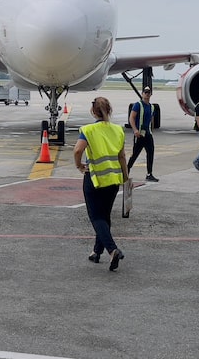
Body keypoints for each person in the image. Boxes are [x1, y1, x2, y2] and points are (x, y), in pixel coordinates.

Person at [73, 96, 129, 272]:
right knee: (104, 216)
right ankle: (96, 252)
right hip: (113, 179)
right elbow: (122, 156)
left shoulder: (88, 130)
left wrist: (79, 165)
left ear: (93, 111)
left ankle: (112, 250)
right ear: (109, 110)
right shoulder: (118, 130)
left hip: (95, 178)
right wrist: (125, 178)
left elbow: (78, 150)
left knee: (96, 217)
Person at [127, 87, 158, 182]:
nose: (147, 94)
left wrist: (151, 130)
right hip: (139, 134)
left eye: (149, 93)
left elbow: (151, 120)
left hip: (148, 134)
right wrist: (135, 130)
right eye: (145, 92)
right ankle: (126, 171)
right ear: (142, 94)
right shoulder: (138, 105)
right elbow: (131, 118)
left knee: (150, 153)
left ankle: (149, 174)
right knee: (135, 154)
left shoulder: (151, 107)